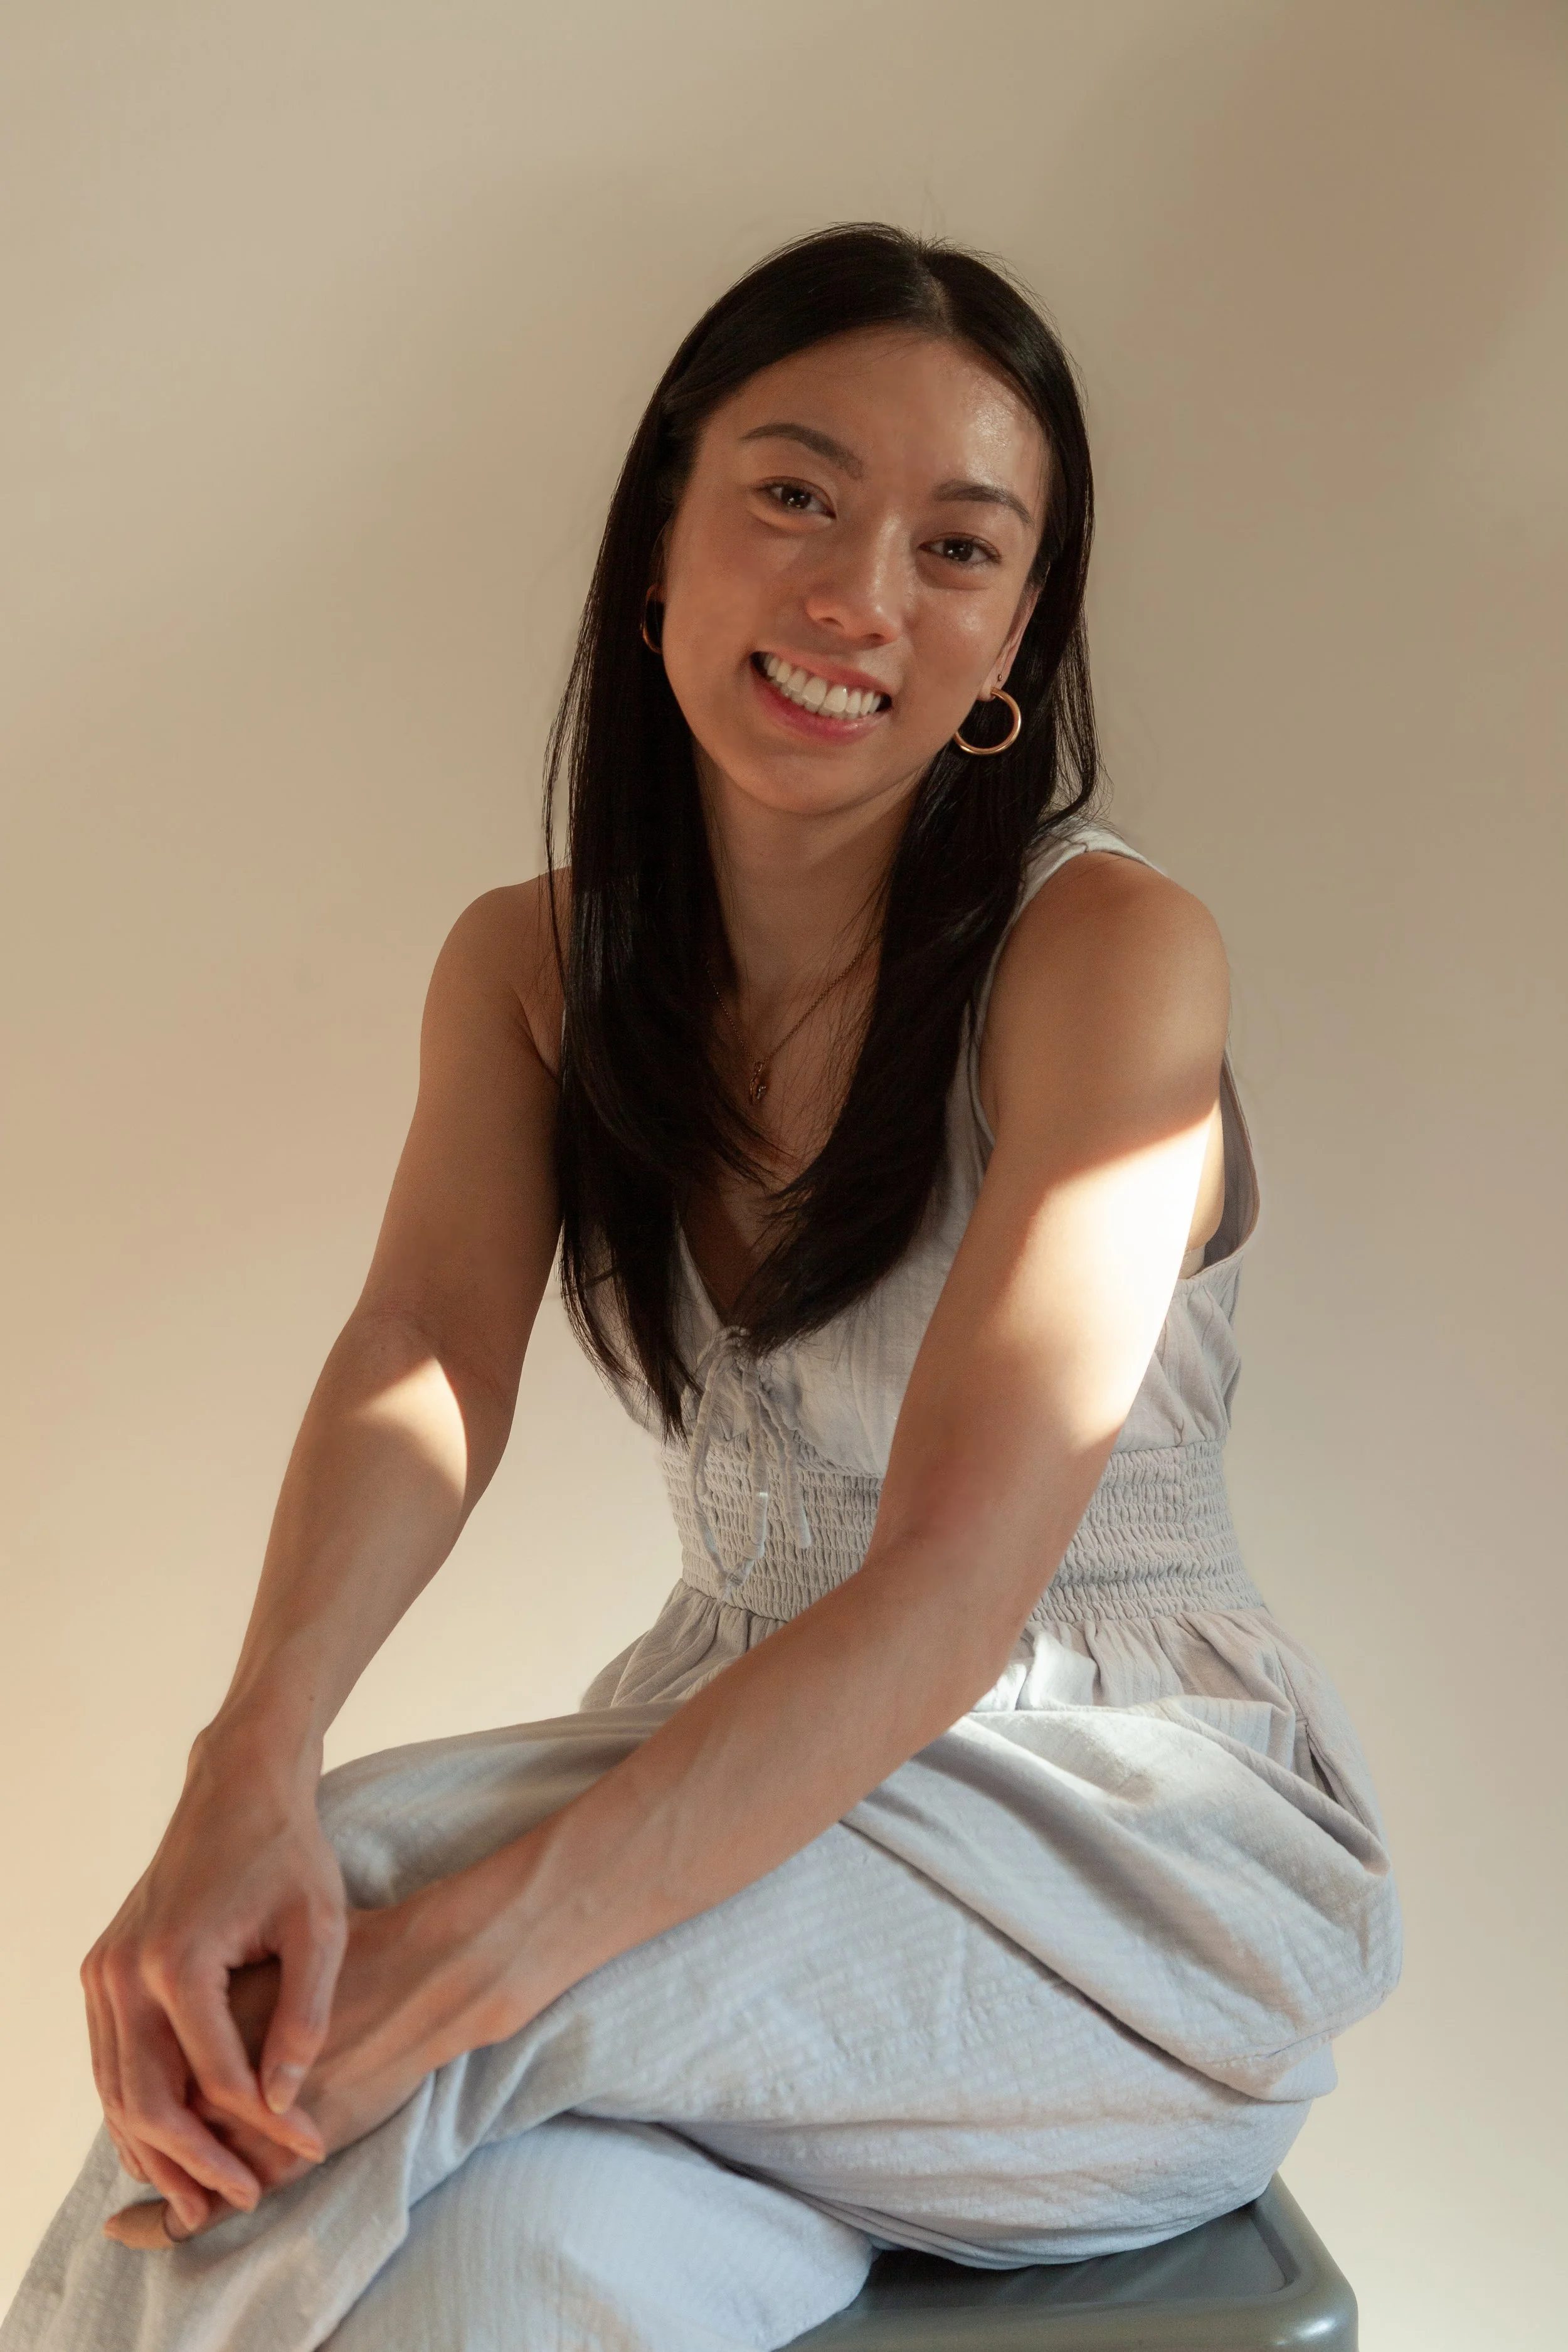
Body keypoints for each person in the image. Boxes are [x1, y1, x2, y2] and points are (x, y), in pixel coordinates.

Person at [3, 224, 1400, 2352]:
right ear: (661, 532)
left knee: (331, 1975)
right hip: (721, 1794)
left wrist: (449, 1958)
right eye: (795, 494)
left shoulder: (1109, 959)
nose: (859, 596)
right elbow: (419, 1357)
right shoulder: (531, 966)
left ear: (1019, 628)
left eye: (957, 546)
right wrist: (250, 1750)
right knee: (489, 2268)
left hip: (1112, 1876)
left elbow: (949, 1589)